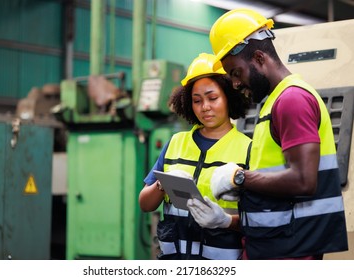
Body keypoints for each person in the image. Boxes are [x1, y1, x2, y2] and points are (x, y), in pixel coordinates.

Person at [187, 8, 348, 260]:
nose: (236, 83)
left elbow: (304, 181)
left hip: (293, 254)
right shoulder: (273, 104)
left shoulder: (292, 99)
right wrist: (227, 220)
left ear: (260, 58)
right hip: (274, 248)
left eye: (236, 73)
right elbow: (276, 196)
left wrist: (239, 178)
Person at [138, 53, 252, 260]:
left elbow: (259, 220)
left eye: (213, 98)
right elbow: (145, 204)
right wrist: (163, 184)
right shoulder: (176, 143)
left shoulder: (248, 149)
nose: (205, 107)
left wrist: (225, 220)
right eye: (197, 100)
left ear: (229, 97)